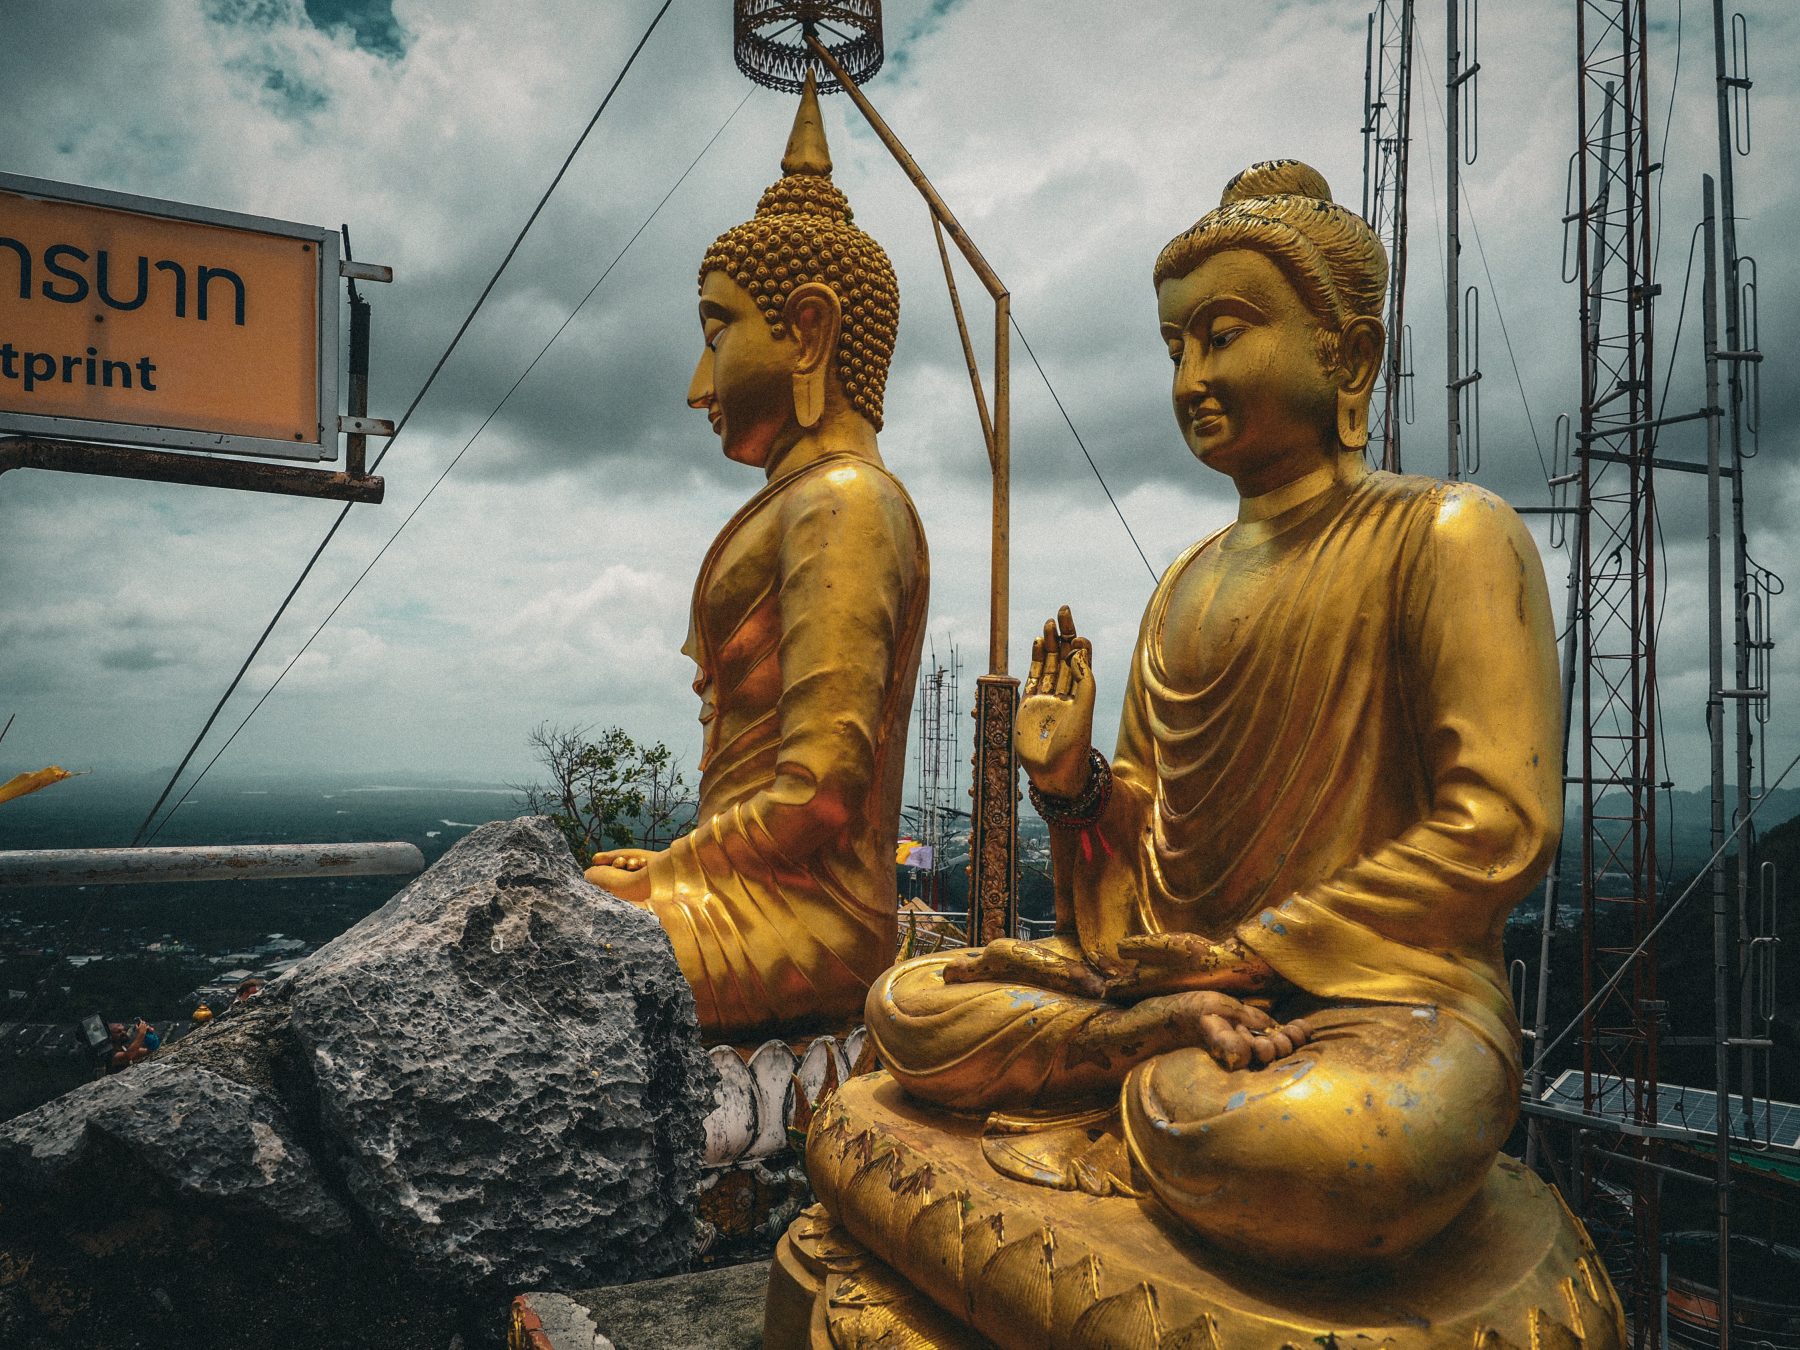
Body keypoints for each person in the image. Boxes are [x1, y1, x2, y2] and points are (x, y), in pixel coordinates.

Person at [866, 159, 1563, 1268]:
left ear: (1349, 355)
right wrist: (1073, 785)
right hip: (1182, 994)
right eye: (1175, 346)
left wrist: (1250, 953)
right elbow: (1148, 864)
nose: (1191, 372)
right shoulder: (1185, 584)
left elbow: (1499, 827)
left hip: (1380, 1009)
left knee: (1330, 1149)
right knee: (910, 1001)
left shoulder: (1445, 535)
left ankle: (1142, 1081)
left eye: (1224, 333)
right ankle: (1149, 1058)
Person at [583, 75, 928, 1040]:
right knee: (560, 917)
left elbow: (819, 790)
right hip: (747, 884)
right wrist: (682, 861)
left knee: (555, 955)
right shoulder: (802, 502)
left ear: (809, 329)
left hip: (811, 916)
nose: (699, 384)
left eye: (716, 332)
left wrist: (673, 870)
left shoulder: (845, 503)